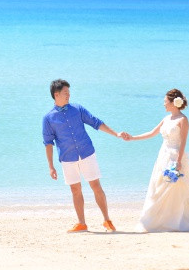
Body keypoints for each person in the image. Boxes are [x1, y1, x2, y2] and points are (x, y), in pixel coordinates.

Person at [123, 89, 189, 232]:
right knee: (158, 187)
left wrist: (179, 161)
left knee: (174, 189)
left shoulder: (183, 120)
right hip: (163, 156)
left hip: (175, 157)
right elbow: (151, 133)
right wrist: (132, 138)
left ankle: (174, 220)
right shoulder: (166, 119)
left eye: (165, 102)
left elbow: (183, 142)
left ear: (173, 102)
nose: (164, 104)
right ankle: (157, 220)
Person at [42, 79, 126, 233]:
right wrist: (51, 166)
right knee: (75, 190)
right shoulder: (48, 118)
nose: (69, 95)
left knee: (96, 186)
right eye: (66, 92)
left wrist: (116, 134)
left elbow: (95, 122)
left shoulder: (77, 109)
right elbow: (48, 143)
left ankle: (107, 220)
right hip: (67, 158)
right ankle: (82, 223)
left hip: (87, 152)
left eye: (69, 92)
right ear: (56, 94)